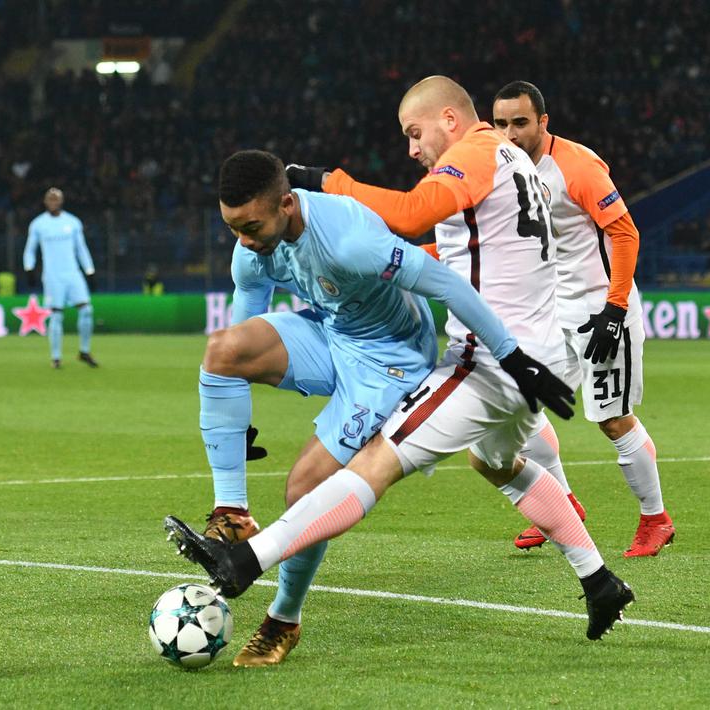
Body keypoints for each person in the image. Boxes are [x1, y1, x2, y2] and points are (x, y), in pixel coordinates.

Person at [169, 76, 634, 644]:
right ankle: (599, 579)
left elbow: (415, 216)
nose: (412, 150)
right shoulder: (520, 158)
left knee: (373, 466)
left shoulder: (478, 152)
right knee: (494, 463)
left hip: (491, 358)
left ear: (449, 120)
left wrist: (331, 182)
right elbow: (462, 249)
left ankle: (246, 563)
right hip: (534, 351)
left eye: (416, 134)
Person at [197, 148, 574, 666]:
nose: (242, 239)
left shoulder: (350, 239)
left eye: (251, 226)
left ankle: (283, 620)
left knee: (304, 487)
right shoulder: (254, 246)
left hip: (391, 359)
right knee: (222, 351)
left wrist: (511, 355)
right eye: (232, 227)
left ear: (286, 203)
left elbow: (444, 283)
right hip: (332, 333)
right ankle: (231, 513)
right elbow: (245, 324)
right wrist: (239, 413)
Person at [492, 80, 674, 557]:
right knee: (519, 407)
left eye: (520, 122)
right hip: (548, 311)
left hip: (599, 310)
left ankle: (655, 518)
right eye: (501, 123)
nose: (509, 133)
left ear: (543, 122)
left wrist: (615, 308)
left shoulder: (576, 164)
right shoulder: (499, 171)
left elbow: (625, 234)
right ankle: (561, 504)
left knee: (612, 420)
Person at [23, 187, 98, 368]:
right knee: (56, 316)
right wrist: (29, 269)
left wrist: (89, 270)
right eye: (50, 199)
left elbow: (81, 248)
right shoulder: (38, 224)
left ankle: (84, 351)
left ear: (61, 201)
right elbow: (30, 248)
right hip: (53, 276)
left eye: (56, 199)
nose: (53, 202)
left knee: (87, 310)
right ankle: (56, 357)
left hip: (73, 273)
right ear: (45, 202)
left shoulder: (72, 222)